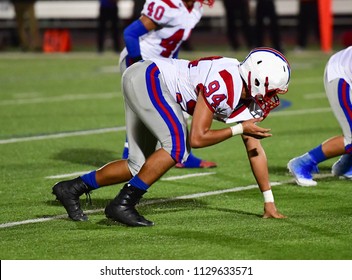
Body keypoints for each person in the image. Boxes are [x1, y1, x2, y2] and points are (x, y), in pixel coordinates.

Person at [52, 47, 290, 226]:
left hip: (147, 81)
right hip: (150, 78)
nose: (272, 98)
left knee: (139, 166)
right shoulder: (225, 83)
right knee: (177, 148)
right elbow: (198, 138)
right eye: (271, 91)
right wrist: (239, 128)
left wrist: (268, 201)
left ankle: (72, 188)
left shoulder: (245, 90)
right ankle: (122, 205)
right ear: (256, 79)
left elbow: (254, 148)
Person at [119, 0, 216, 168]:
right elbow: (130, 34)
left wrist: (175, 67)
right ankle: (129, 157)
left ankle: (183, 156)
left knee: (180, 105)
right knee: (141, 111)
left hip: (162, 66)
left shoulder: (195, 9)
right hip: (138, 60)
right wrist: (138, 66)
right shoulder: (166, 5)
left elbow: (174, 45)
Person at [288, 46, 352, 187]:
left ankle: (346, 167)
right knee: (351, 137)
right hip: (341, 74)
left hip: (345, 66)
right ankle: (301, 164)